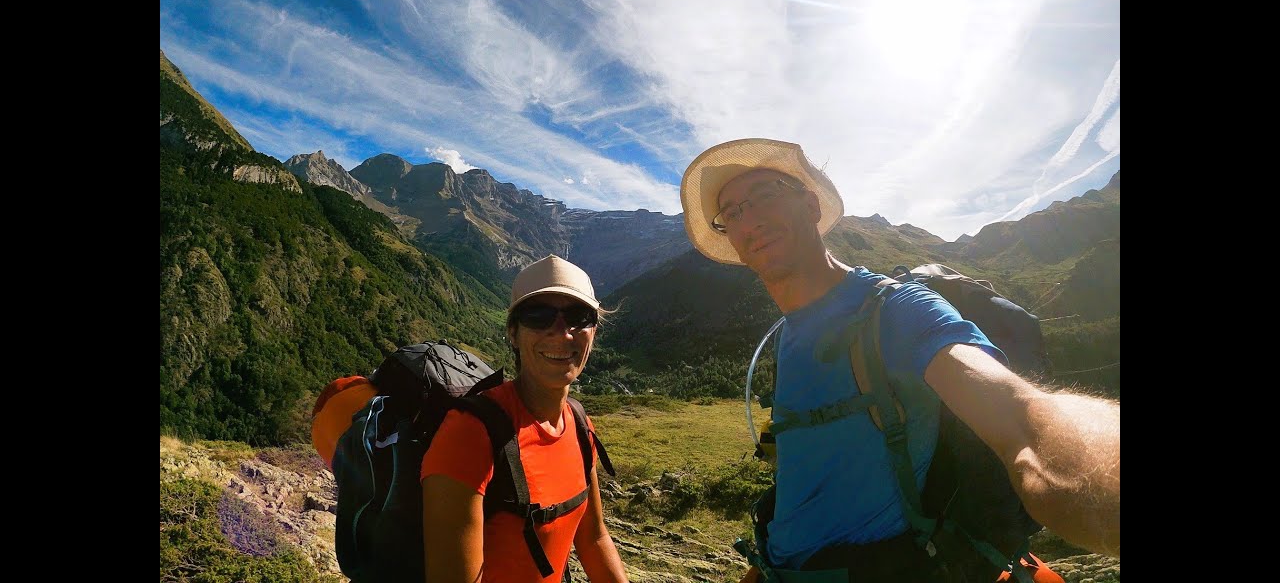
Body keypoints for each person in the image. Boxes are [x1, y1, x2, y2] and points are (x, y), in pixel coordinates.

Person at [679, 138, 1120, 582]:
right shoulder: (789, 333)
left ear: (811, 206)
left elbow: (1023, 418)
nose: (750, 217)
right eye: (732, 213)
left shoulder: (898, 311)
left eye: (767, 195)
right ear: (730, 239)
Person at [421, 254, 630, 583]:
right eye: (539, 316)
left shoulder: (578, 423)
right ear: (513, 333)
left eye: (578, 316)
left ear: (594, 331)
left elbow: (593, 539)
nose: (562, 333)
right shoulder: (471, 433)